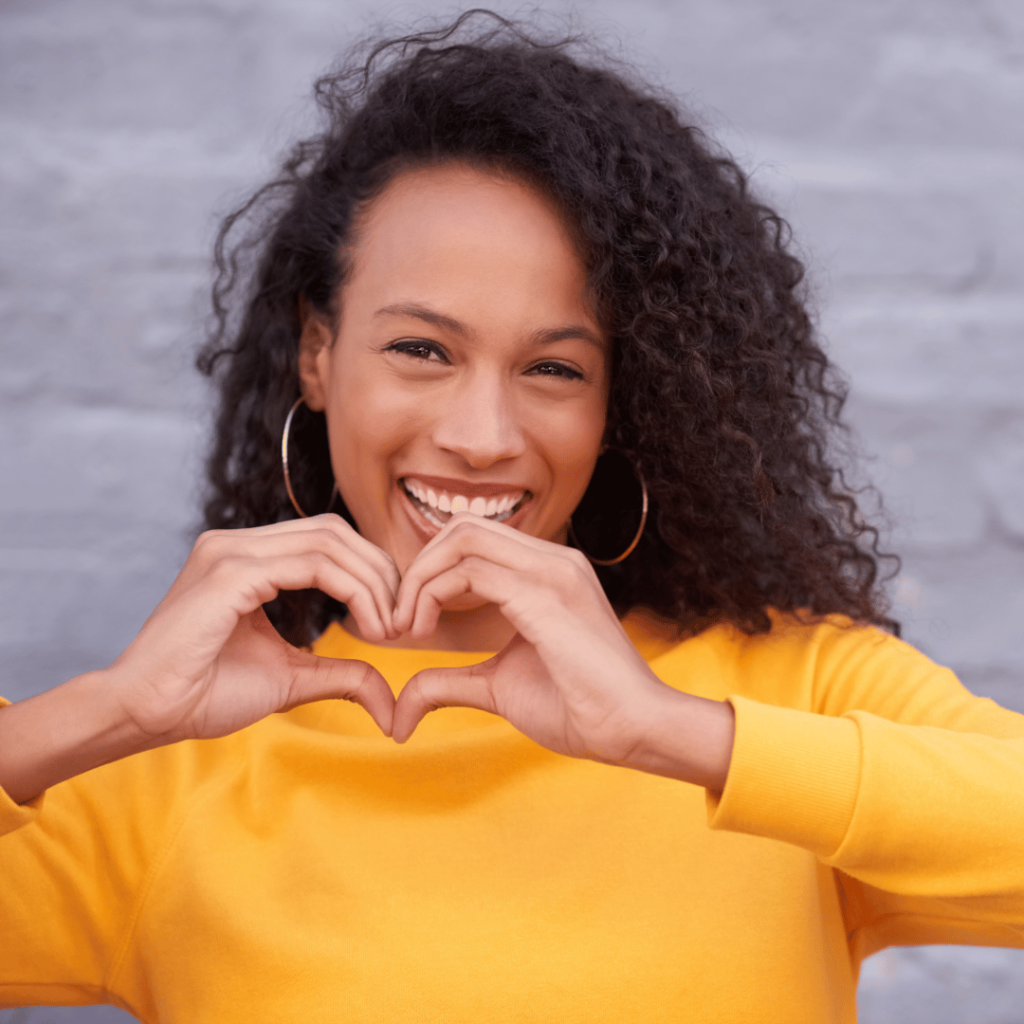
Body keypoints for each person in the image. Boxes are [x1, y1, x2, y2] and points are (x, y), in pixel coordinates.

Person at [2, 11, 1022, 1023]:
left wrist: (671, 732)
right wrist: (112, 711)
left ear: (623, 398)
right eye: (421, 350)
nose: (482, 435)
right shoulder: (160, 779)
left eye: (552, 368)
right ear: (318, 353)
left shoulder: (791, 690)